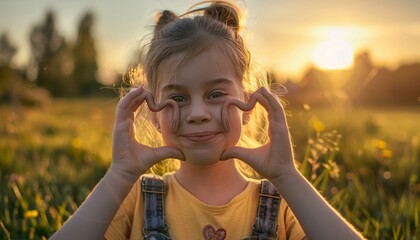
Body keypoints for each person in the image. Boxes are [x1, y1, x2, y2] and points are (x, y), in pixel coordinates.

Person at [51, 1, 364, 239]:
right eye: (177, 98)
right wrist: (119, 175)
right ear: (153, 112)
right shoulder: (133, 199)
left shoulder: (282, 205)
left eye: (215, 94)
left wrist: (287, 176)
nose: (198, 113)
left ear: (249, 104)